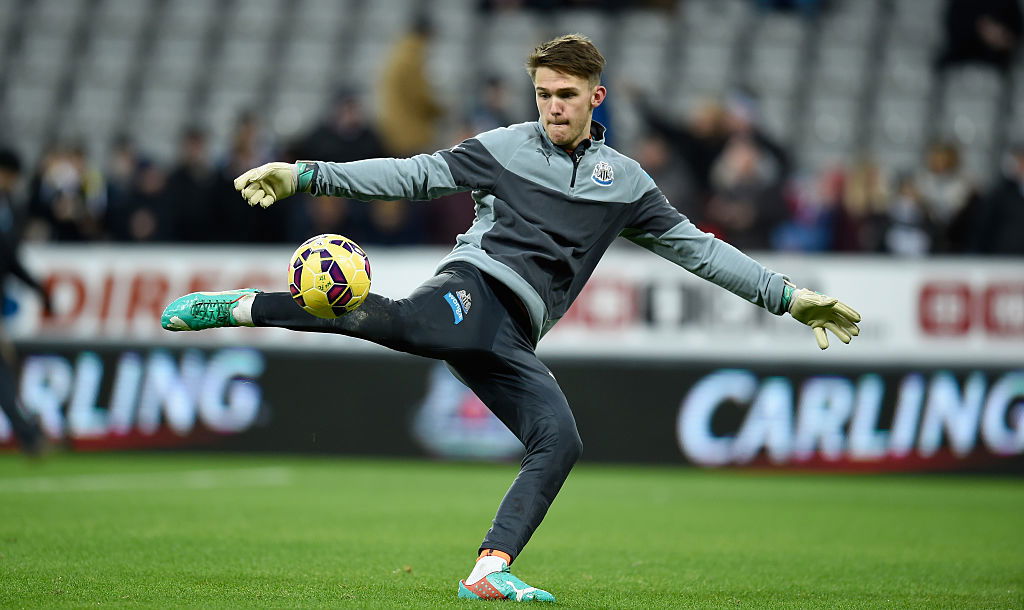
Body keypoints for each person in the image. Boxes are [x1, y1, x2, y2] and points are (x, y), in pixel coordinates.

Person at [161, 34, 861, 603]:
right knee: (411, 323)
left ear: (596, 97)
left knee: (559, 440)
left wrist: (791, 298)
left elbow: (700, 253)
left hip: (512, 333)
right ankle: (239, 306)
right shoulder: (502, 148)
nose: (553, 108)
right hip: (474, 288)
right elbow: (413, 175)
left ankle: (488, 569)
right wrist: (306, 172)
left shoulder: (629, 186)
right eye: (544, 95)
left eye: (565, 96)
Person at [0, 148, 50, 455]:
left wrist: (37, 289)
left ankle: (29, 435)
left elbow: (9, 259)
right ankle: (29, 436)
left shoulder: (9, 207)